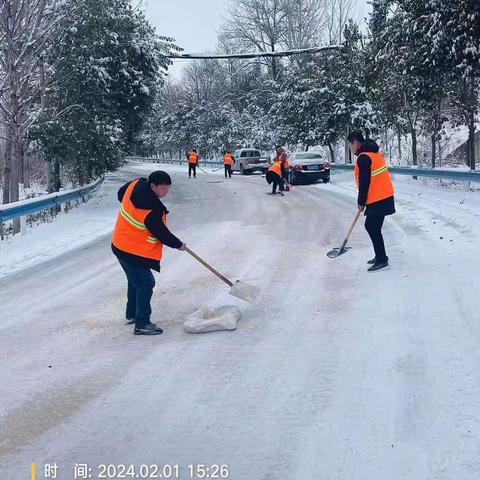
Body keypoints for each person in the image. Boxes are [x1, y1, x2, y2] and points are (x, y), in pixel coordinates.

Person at [112, 171, 186, 335]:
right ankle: (142, 323)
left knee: (135, 281)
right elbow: (162, 234)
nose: (166, 192)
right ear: (152, 186)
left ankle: (131, 314)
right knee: (146, 283)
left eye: (168, 188)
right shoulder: (152, 210)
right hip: (131, 250)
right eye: (163, 188)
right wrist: (179, 244)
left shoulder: (135, 184)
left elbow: (120, 194)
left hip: (119, 243)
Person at [347, 131, 395, 272]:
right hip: (384, 196)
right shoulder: (373, 153)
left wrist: (361, 202)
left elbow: (364, 182)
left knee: (371, 226)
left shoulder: (364, 158)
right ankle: (380, 256)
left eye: (350, 145)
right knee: (373, 227)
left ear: (356, 142)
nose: (350, 148)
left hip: (378, 198)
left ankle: (381, 259)